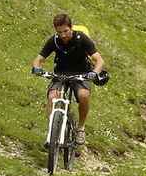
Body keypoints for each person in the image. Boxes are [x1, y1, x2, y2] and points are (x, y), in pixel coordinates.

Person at [31, 13, 104, 145]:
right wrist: (36, 68)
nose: (63, 35)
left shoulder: (82, 39)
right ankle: (51, 133)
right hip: (61, 74)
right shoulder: (54, 40)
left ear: (71, 27)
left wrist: (94, 72)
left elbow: (99, 60)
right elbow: (38, 60)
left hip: (82, 73)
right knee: (52, 97)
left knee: (83, 95)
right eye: (59, 32)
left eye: (66, 31)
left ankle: (80, 128)